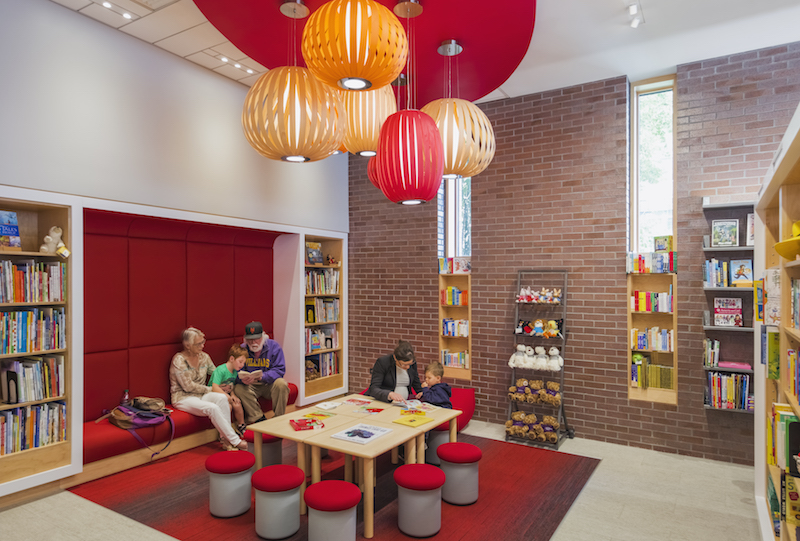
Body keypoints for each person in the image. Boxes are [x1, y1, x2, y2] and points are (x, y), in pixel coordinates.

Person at [169, 327, 247, 450]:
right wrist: (211, 389)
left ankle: (224, 438)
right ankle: (235, 440)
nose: (202, 346)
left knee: (222, 398)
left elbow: (216, 372)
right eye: (199, 343)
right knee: (212, 407)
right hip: (183, 397)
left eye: (203, 342)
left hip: (202, 395)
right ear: (188, 345)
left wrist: (228, 386)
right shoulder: (179, 360)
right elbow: (188, 387)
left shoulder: (204, 357)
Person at [234, 321, 290, 424]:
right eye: (250, 340)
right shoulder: (242, 349)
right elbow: (235, 371)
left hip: (269, 384)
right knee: (238, 388)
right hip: (251, 385)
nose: (253, 342)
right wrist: (242, 379)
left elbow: (280, 369)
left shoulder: (274, 347)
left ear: (263, 336)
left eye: (257, 338)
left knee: (282, 384)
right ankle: (259, 418)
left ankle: (279, 418)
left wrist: (263, 376)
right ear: (246, 339)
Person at [210, 344, 248, 435]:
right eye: (240, 362)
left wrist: (233, 395)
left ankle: (241, 426)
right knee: (229, 407)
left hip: (226, 395)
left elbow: (231, 386)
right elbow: (214, 387)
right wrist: (227, 396)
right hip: (214, 395)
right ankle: (224, 431)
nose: (242, 365)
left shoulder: (235, 371)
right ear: (232, 359)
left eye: (244, 363)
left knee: (237, 404)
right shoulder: (221, 370)